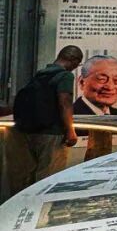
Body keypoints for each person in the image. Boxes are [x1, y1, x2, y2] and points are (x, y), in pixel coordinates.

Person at [10, 46, 84, 188]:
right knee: (49, 178)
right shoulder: (65, 76)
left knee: (30, 176)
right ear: (73, 60)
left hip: (29, 130)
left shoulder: (40, 74)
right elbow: (65, 103)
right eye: (77, 63)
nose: (76, 67)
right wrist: (70, 130)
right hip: (52, 132)